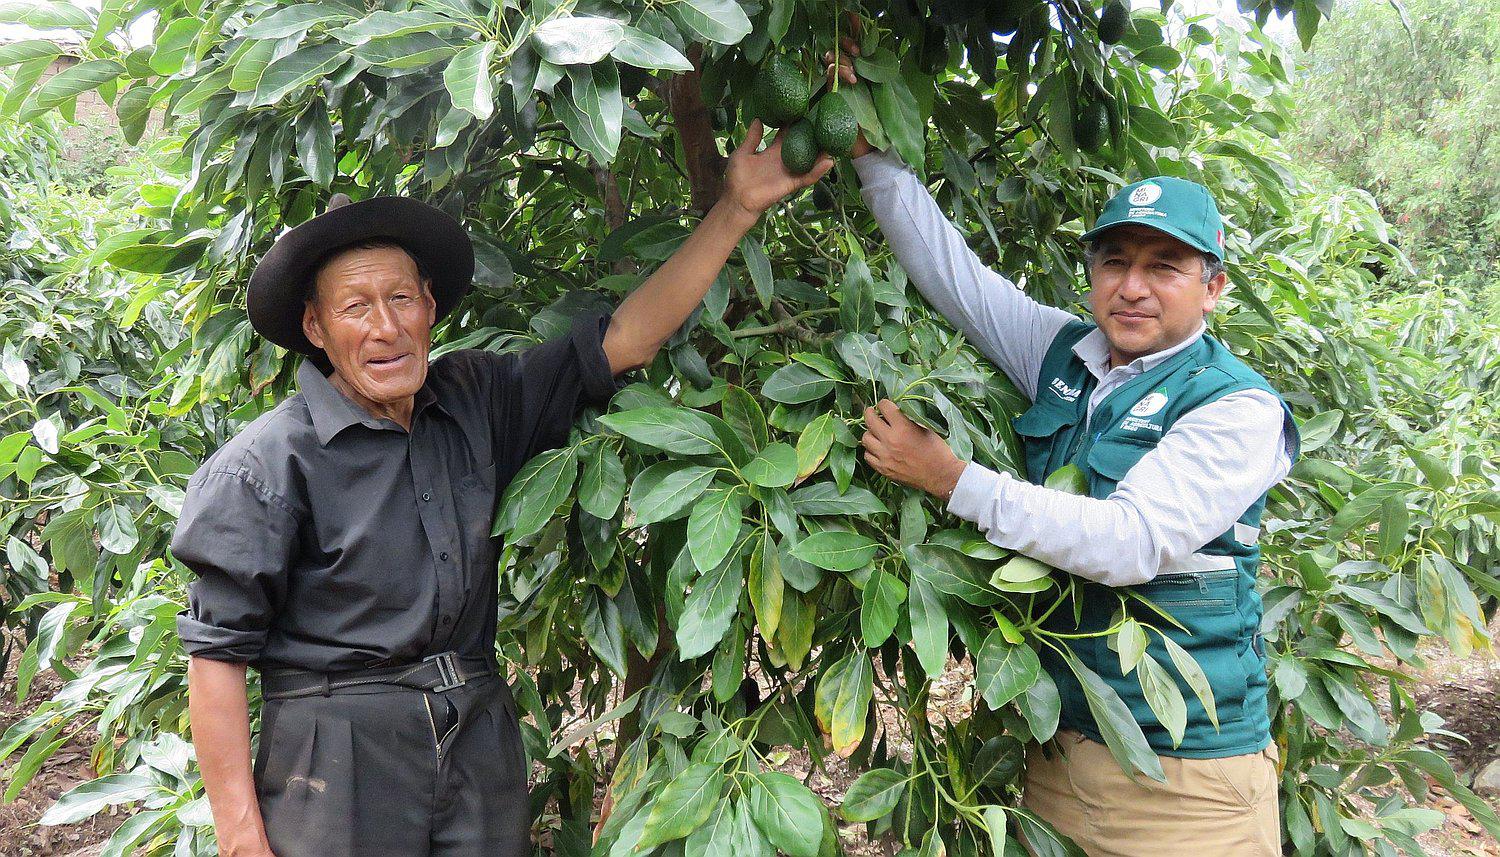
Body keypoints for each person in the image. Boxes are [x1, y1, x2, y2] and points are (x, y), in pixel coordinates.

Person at [172, 122, 832, 857]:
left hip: (475, 742)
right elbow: (216, 657)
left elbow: (626, 339)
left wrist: (736, 208)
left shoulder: (475, 400)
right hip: (337, 761)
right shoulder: (264, 466)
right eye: (356, 307)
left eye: (401, 297)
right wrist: (242, 839)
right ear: (316, 327)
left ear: (430, 307)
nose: (386, 326)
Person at [829, 44, 1298, 857]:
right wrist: (871, 154)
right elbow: (956, 279)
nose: (1132, 286)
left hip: (1188, 782)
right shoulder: (1064, 355)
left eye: (1164, 267)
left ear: (1213, 286)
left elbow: (1130, 540)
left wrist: (952, 478)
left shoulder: (1236, 406)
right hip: (1057, 760)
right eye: (1115, 262)